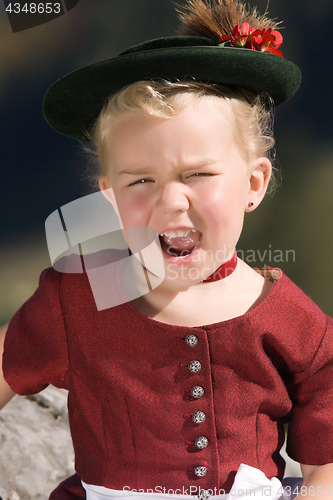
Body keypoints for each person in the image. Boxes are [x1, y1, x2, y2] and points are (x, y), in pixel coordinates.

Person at [1, 0, 333, 499]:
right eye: (141, 181)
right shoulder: (82, 299)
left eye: (197, 174)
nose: (171, 200)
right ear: (110, 195)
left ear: (253, 183)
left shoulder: (293, 322)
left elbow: (325, 469)